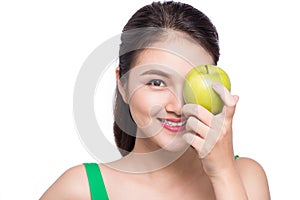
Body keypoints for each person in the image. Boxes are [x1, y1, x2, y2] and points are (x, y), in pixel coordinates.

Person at [41, 1, 270, 199]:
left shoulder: (245, 176)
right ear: (122, 83)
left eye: (193, 83)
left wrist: (223, 172)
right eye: (157, 82)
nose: (178, 106)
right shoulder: (80, 190)